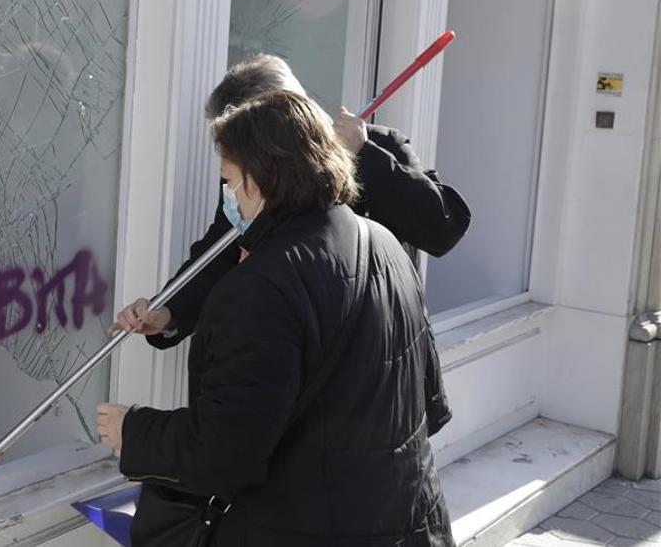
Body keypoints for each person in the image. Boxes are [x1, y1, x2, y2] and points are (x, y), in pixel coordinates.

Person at [95, 89, 454, 545]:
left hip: (312, 525)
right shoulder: (382, 242)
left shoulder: (262, 286)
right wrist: (170, 313)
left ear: (257, 180)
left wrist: (134, 431)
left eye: (228, 179)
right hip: (405, 518)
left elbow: (226, 450)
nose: (227, 196)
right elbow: (429, 398)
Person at [124, 54, 469, 354]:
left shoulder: (378, 149)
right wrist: (168, 312)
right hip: (307, 373)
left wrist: (365, 157)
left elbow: (443, 228)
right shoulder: (247, 174)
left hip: (382, 367)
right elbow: (219, 252)